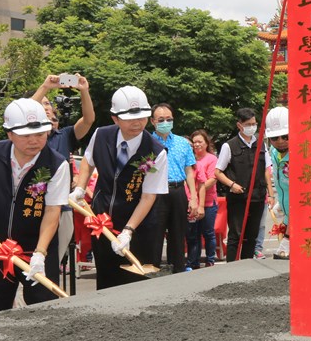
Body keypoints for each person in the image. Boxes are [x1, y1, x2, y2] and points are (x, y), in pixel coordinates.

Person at [72, 86, 168, 290]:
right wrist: (80, 188)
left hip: (138, 224)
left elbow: (148, 197)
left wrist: (128, 231)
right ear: (115, 118)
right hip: (102, 220)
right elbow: (88, 161)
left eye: (142, 117)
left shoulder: (156, 152)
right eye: (129, 118)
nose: (137, 123)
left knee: (135, 281)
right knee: (106, 278)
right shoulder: (101, 135)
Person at [0, 99, 71, 311]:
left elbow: (52, 210)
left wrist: (39, 253)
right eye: (26, 135)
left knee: (44, 304)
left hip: (36, 248)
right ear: (9, 134)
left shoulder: (57, 164)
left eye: (39, 134)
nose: (34, 140)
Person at [32, 73, 96, 263]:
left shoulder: (65, 135)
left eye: (47, 104)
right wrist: (45, 87)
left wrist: (84, 91)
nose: (45, 107)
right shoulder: (27, 138)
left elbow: (88, 119)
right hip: (34, 203)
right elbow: (24, 112)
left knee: (55, 257)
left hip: (62, 205)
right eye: (41, 104)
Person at [146, 103, 198, 273]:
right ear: (153, 121)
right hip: (156, 193)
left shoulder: (183, 143)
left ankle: (178, 270)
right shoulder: (147, 142)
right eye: (161, 119)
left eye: (169, 119)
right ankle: (152, 270)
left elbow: (189, 171)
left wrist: (193, 198)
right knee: (155, 234)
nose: (165, 122)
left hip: (178, 190)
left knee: (178, 234)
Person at [214, 108, 267, 262]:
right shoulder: (229, 146)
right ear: (239, 125)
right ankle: (232, 266)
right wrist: (232, 185)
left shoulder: (261, 144)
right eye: (248, 124)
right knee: (236, 235)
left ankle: (247, 266)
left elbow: (266, 170)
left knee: (252, 236)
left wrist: (269, 193)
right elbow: (218, 172)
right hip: (238, 198)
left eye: (254, 123)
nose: (252, 127)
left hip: (257, 197)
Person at [186, 130, 218, 269]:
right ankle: (194, 261)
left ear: (206, 143)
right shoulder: (189, 159)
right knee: (193, 234)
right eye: (195, 142)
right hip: (191, 202)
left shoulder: (211, 159)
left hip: (208, 202)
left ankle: (210, 259)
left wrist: (197, 191)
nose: (197, 144)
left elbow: (211, 179)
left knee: (208, 232)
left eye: (200, 142)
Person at [264, 107, 291, 260]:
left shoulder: (302, 154)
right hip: (288, 214)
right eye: (275, 138)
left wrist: (288, 239)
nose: (280, 142)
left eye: (285, 136)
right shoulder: (274, 153)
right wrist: (281, 202)